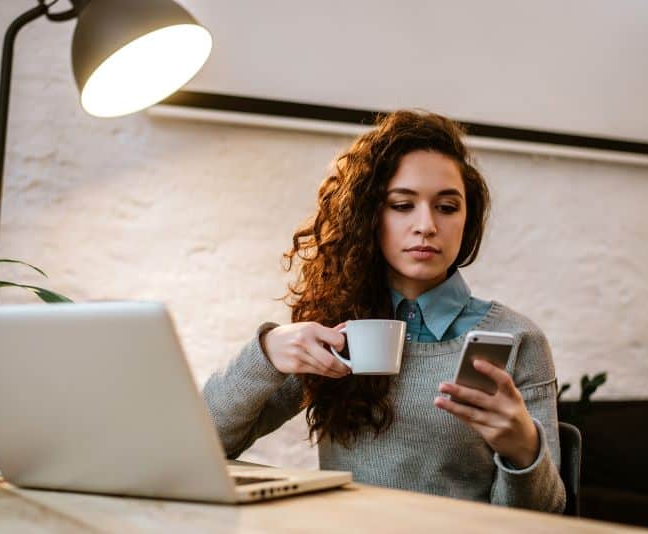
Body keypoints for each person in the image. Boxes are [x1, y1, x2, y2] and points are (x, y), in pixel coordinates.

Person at [203, 110, 566, 513]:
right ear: (369, 216)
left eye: (447, 207)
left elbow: (545, 518)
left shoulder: (517, 339)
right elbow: (200, 447)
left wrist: (523, 450)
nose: (426, 225)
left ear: (468, 219)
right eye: (402, 205)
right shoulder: (335, 329)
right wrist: (267, 352)